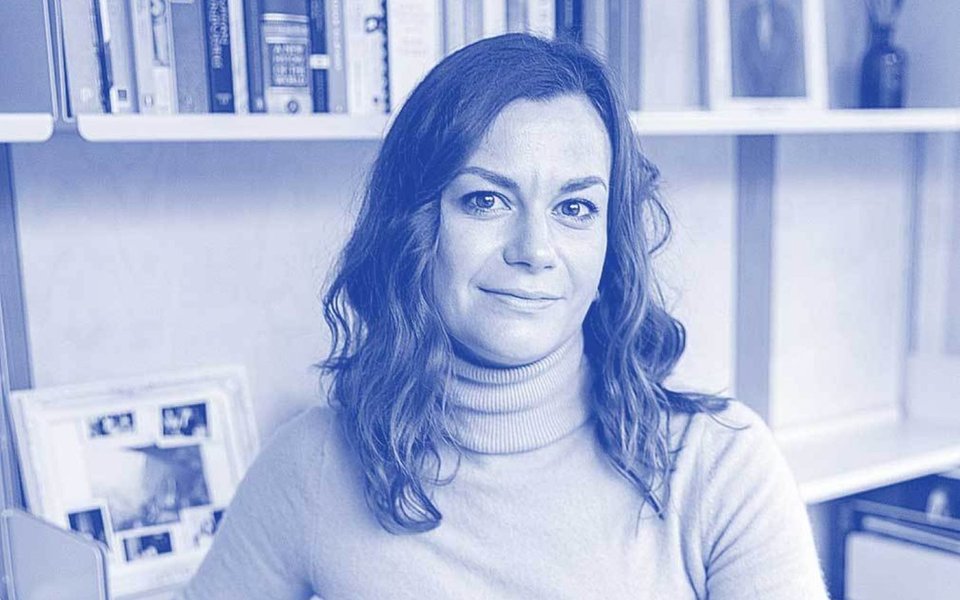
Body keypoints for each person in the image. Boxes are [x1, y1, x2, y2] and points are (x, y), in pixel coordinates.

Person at [182, 33, 827, 599]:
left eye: (575, 209)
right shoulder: (313, 465)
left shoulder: (719, 467)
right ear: (417, 228)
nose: (534, 251)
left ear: (612, 242)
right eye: (487, 200)